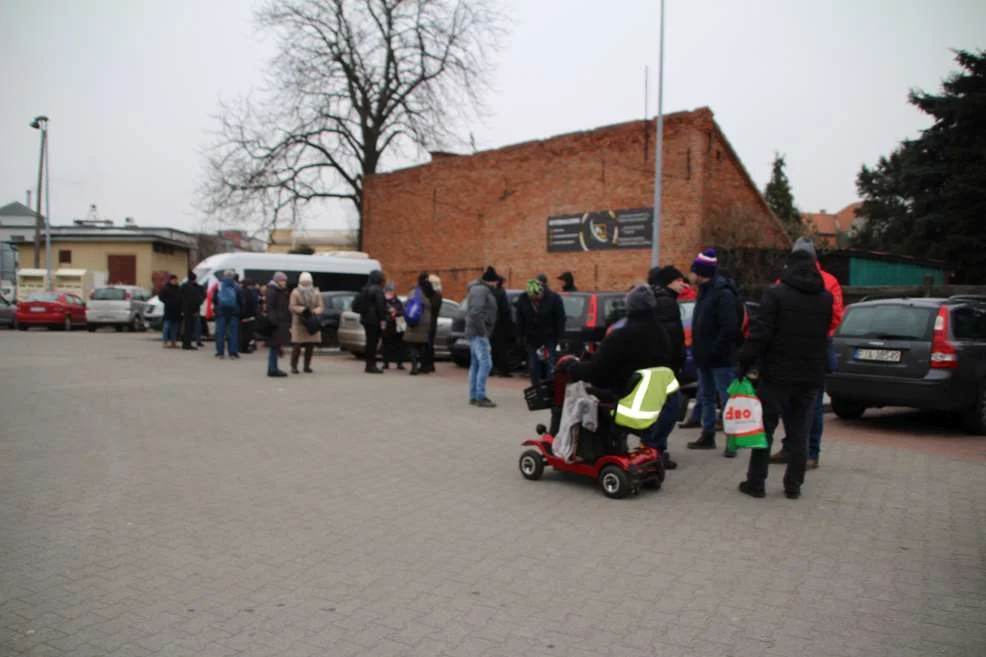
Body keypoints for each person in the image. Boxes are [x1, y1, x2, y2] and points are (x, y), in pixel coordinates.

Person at [736, 247, 833, 499]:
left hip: (776, 374)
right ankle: (794, 485)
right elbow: (824, 336)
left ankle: (756, 483)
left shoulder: (776, 294)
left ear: (789, 266)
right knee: (800, 431)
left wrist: (744, 363)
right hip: (810, 375)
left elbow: (760, 334)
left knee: (765, 429)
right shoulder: (825, 298)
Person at [770, 237, 845, 469]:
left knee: (810, 403)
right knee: (790, 403)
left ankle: (811, 451)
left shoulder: (828, 282)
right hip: (792, 347)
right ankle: (791, 445)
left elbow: (835, 316)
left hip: (815, 347)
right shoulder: (785, 280)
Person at [564, 285, 671, 401]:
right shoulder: (662, 333)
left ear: (629, 307)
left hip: (625, 400)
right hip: (655, 400)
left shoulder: (621, 336)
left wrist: (573, 368)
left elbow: (597, 372)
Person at [685, 248, 741, 456]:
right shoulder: (704, 292)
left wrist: (714, 351)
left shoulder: (723, 294)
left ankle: (732, 441)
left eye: (693, 271)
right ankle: (707, 434)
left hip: (721, 360)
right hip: (704, 358)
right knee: (707, 397)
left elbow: (729, 328)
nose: (690, 276)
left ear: (701, 272)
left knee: (727, 400)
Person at [640, 265, 688, 470]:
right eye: (679, 281)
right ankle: (654, 448)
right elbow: (671, 338)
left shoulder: (658, 299)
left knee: (658, 408)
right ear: (669, 282)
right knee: (669, 408)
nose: (683, 284)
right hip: (664, 366)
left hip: (656, 364)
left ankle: (654, 448)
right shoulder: (666, 303)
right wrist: (677, 362)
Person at [516, 279, 566, 387]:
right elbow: (520, 318)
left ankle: (550, 388)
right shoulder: (523, 299)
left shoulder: (554, 299)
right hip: (532, 338)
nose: (535, 300)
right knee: (533, 365)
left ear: (541, 291)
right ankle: (536, 387)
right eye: (532, 298)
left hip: (548, 337)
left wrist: (560, 337)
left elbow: (560, 319)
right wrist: (520, 335)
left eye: (537, 297)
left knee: (550, 364)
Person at [466, 266, 500, 407]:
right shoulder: (482, 290)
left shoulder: (478, 289)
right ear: (491, 281)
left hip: (475, 332)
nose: (497, 284)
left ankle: (474, 396)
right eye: (496, 282)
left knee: (476, 364)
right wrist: (483, 331)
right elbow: (476, 313)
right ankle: (480, 396)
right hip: (479, 333)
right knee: (485, 363)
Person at [289, 272, 325, 374]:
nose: (306, 284)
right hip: (299, 322)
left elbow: (320, 306)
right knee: (297, 346)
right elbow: (292, 306)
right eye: (304, 282)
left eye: (308, 282)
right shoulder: (295, 292)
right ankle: (294, 366)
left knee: (310, 346)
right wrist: (303, 309)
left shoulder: (316, 292)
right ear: (300, 282)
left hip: (312, 322)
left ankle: (307, 366)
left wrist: (314, 311)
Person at [404, 273, 436, 375]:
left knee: (413, 345)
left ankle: (414, 368)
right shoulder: (431, 291)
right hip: (426, 321)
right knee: (423, 345)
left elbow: (408, 304)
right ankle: (424, 367)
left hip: (415, 320)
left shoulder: (415, 291)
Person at [357, 270, 388, 374]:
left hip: (366, 319)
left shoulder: (365, 288)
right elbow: (380, 306)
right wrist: (383, 319)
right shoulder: (377, 290)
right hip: (374, 320)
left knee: (369, 342)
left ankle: (368, 364)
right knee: (373, 343)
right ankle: (371, 365)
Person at [265, 272, 291, 377]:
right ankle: (273, 369)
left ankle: (272, 368)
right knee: (274, 347)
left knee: (275, 346)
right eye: (282, 280)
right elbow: (270, 308)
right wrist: (274, 322)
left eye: (285, 280)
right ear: (277, 281)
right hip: (276, 323)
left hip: (279, 322)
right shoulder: (273, 291)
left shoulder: (279, 291)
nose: (284, 282)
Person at [214, 270, 243, 360]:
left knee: (220, 333)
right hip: (233, 313)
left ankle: (220, 353)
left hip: (221, 312)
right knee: (233, 333)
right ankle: (233, 353)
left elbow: (214, 299)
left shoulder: (218, 286)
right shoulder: (237, 286)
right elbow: (240, 300)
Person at [490, 276, 515, 377]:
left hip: (490, 324)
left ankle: (491, 369)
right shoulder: (501, 293)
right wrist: (509, 325)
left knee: (491, 348)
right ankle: (504, 370)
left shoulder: (490, 292)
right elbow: (505, 310)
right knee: (502, 349)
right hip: (500, 325)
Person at [420, 273, 443, 374]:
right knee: (429, 344)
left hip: (429, 322)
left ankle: (427, 364)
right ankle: (430, 364)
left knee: (427, 344)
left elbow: (430, 307)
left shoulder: (433, 296)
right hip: (432, 322)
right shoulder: (437, 295)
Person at [381, 282, 406, 370]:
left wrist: (396, 312)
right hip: (387, 325)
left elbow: (402, 311)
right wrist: (388, 313)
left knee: (399, 345)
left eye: (391, 291)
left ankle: (399, 363)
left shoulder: (398, 301)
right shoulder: (383, 301)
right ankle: (385, 363)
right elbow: (381, 311)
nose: (390, 292)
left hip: (397, 325)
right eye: (388, 291)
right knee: (386, 344)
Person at [179, 272, 202, 351]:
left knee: (186, 327)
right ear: (194, 279)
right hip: (192, 310)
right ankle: (187, 344)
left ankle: (185, 343)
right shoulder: (194, 287)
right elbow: (198, 299)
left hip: (185, 309)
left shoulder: (184, 286)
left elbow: (180, 296)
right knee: (189, 328)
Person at [159, 274, 182, 349]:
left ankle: (173, 342)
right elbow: (161, 297)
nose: (175, 281)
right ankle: (165, 342)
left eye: (176, 280)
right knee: (166, 326)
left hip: (177, 311)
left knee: (175, 328)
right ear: (170, 280)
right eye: (173, 280)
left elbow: (181, 297)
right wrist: (167, 302)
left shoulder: (178, 288)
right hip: (168, 310)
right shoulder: (166, 288)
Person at [239, 279, 260, 354]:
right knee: (248, 333)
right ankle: (244, 348)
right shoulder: (249, 293)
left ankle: (241, 347)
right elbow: (252, 304)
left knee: (243, 332)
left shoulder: (241, 291)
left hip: (242, 315)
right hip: (248, 315)